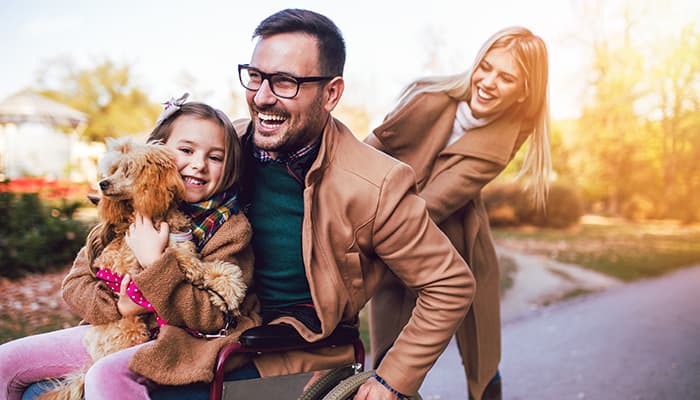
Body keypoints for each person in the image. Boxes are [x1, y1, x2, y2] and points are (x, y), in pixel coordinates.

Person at [230, 8, 474, 400]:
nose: (261, 97)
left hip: (294, 356)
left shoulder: (377, 185)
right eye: (255, 77)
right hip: (207, 333)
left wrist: (393, 379)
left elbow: (449, 284)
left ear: (331, 94)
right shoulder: (222, 146)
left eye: (285, 82)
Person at [0, 98, 261, 400]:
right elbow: (75, 284)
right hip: (117, 329)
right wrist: (121, 306)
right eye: (186, 150)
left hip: (181, 342)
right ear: (154, 154)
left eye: (215, 157)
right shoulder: (123, 212)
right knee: (5, 361)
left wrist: (155, 263)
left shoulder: (230, 228)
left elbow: (214, 315)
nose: (199, 165)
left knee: (105, 376)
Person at [364, 26, 552, 400]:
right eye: (486, 66)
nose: (488, 82)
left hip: (455, 237)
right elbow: (370, 151)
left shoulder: (505, 138)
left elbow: (436, 202)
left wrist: (377, 225)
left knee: (481, 351)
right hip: (386, 219)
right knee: (389, 349)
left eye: (506, 77)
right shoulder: (427, 97)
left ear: (524, 92)